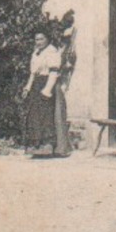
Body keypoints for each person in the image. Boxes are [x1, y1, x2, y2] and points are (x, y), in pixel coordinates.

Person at [21, 28, 61, 156]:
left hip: (46, 84)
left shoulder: (52, 52)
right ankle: (35, 145)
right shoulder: (36, 53)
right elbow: (33, 73)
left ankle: (47, 145)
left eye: (41, 39)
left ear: (47, 39)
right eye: (36, 39)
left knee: (46, 114)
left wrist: (47, 90)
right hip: (36, 85)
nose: (38, 42)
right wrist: (27, 87)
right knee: (34, 114)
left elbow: (54, 72)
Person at [51, 10, 77, 157]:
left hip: (58, 84)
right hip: (51, 82)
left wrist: (64, 82)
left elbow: (67, 69)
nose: (62, 39)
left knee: (59, 114)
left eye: (65, 38)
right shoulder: (55, 50)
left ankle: (62, 147)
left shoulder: (68, 53)